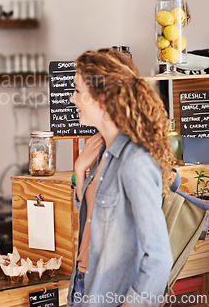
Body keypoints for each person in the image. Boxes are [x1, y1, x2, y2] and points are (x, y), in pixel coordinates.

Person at [67, 48, 173, 307]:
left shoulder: (135, 161)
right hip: (84, 288)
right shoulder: (102, 151)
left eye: (78, 91)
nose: (72, 99)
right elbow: (99, 219)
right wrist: (80, 171)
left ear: (102, 99)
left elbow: (159, 257)